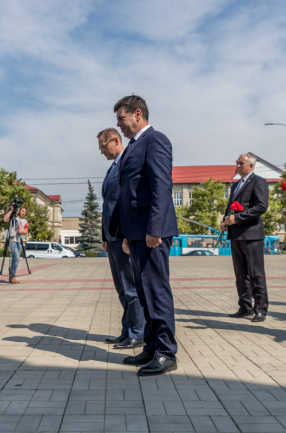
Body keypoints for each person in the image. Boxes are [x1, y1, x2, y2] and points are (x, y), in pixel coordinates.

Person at [109, 95, 179, 376]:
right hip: (136, 232)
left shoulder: (155, 140)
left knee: (156, 291)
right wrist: (127, 233)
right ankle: (151, 346)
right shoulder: (134, 145)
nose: (119, 124)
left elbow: (162, 186)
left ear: (137, 114)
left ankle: (166, 353)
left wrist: (154, 229)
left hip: (152, 233)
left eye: (121, 118)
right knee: (143, 291)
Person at [98, 127, 146, 349]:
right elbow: (107, 206)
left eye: (103, 146)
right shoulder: (113, 168)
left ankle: (139, 332)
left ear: (115, 141)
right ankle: (127, 330)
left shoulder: (126, 163)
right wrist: (105, 236)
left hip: (123, 236)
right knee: (121, 288)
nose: (101, 151)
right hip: (112, 237)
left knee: (131, 287)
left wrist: (127, 234)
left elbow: (126, 202)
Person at [221, 153, 269, 322]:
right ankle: (245, 307)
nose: (238, 165)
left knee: (256, 274)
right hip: (236, 235)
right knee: (240, 274)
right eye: (237, 163)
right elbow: (230, 208)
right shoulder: (236, 185)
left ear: (251, 166)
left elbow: (261, 206)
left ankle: (260, 309)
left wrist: (237, 218)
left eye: (241, 163)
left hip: (252, 235)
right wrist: (225, 221)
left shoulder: (258, 181)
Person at [3, 205, 29, 284]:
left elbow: (26, 231)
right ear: (19, 210)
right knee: (16, 258)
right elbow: (5, 219)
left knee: (16, 259)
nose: (23, 213)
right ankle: (12, 276)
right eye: (22, 211)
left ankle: (12, 276)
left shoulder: (25, 221)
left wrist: (22, 231)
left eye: (25, 212)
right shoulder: (13, 218)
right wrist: (11, 210)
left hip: (19, 241)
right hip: (12, 240)